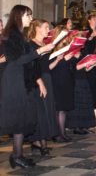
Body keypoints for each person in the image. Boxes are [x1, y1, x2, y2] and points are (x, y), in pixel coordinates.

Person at [0, 5, 54, 168]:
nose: (31, 19)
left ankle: (17, 155)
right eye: (28, 15)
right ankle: (17, 155)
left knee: (22, 119)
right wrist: (40, 51)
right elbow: (17, 60)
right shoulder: (11, 35)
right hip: (14, 81)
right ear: (19, 16)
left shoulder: (18, 35)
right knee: (19, 118)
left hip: (21, 80)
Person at [26, 19, 59, 155]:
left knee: (47, 110)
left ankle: (42, 141)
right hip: (36, 80)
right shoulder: (31, 45)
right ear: (38, 29)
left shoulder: (44, 44)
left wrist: (57, 58)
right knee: (39, 111)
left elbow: (46, 67)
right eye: (46, 27)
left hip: (46, 77)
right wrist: (40, 82)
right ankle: (37, 142)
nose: (48, 30)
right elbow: (31, 67)